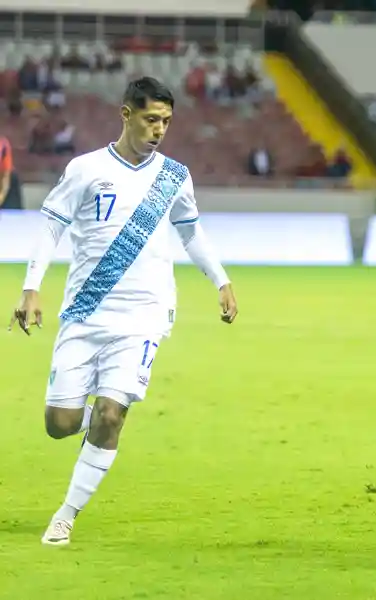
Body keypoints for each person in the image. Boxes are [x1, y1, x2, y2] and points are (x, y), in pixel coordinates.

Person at [9, 77, 239, 546]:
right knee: (61, 425)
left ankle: (66, 515)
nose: (159, 130)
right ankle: (87, 424)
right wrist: (31, 288)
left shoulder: (174, 177)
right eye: (152, 119)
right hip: (86, 310)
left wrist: (221, 279)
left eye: (167, 122)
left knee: (111, 414)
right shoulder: (86, 169)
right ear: (126, 114)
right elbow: (51, 225)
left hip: (144, 315)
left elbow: (191, 232)